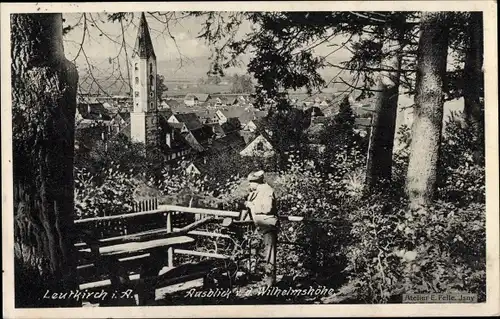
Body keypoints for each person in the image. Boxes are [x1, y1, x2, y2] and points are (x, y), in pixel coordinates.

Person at [241, 170, 278, 286]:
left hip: (268, 225)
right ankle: (258, 276)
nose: (249, 185)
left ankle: (270, 282)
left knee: (269, 255)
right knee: (258, 252)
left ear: (256, 182)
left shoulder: (267, 190)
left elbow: (267, 208)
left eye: (250, 183)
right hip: (259, 226)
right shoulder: (256, 191)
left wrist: (252, 206)